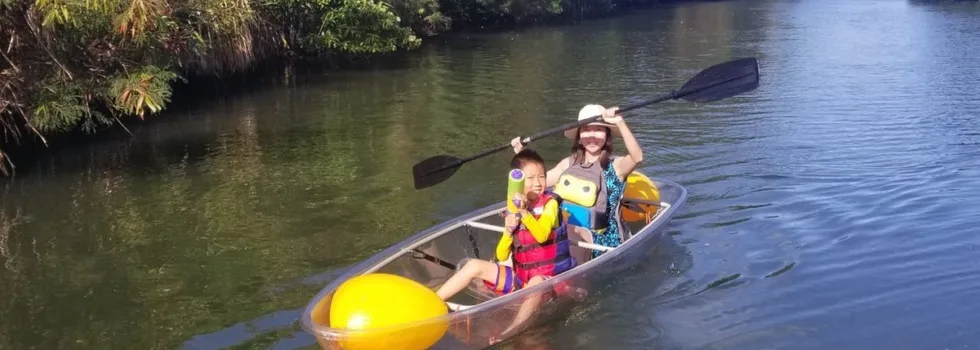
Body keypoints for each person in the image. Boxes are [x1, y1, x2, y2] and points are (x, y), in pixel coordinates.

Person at [434, 149, 577, 341]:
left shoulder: (550, 204)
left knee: (535, 283)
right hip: (522, 279)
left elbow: (542, 235)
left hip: (550, 282)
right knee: (475, 265)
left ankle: (512, 329)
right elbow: (502, 256)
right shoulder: (514, 207)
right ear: (518, 183)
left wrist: (524, 213)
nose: (538, 183)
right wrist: (508, 232)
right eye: (531, 178)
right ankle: (434, 301)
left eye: (542, 177)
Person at [511, 104, 644, 260]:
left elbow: (637, 157)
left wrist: (620, 122)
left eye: (598, 129)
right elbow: (538, 183)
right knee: (536, 227)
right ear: (579, 137)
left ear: (607, 135)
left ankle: (559, 273)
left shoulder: (616, 166)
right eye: (586, 129)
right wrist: (522, 153)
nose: (592, 135)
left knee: (567, 232)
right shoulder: (568, 164)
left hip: (601, 241)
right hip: (562, 232)